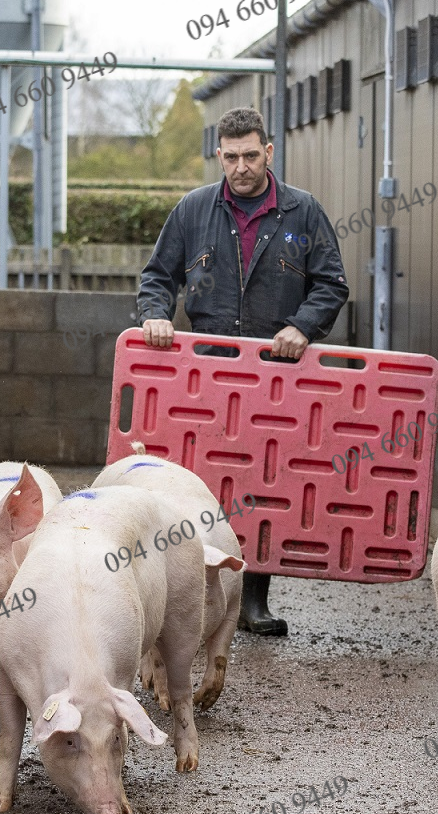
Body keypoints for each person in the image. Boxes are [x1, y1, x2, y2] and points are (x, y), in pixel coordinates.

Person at [136, 106, 349, 636]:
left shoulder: (304, 213)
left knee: (266, 478)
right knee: (203, 478)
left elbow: (332, 284)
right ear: (219, 156)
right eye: (231, 157)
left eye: (251, 155)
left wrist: (303, 325)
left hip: (277, 372)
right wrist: (155, 316)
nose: (241, 167)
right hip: (209, 371)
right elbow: (158, 275)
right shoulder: (192, 210)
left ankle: (253, 599)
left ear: (269, 152)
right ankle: (198, 590)